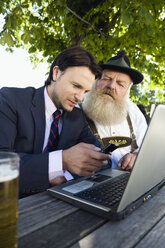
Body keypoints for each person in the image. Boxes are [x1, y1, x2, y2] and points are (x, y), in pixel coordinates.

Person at [0, 46, 110, 198]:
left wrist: (66, 177)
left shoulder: (77, 117)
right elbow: (2, 166)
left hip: (55, 204)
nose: (80, 98)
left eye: (85, 91)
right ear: (56, 73)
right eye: (76, 86)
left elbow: (104, 160)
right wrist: (63, 160)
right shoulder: (10, 100)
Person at [82, 50, 148, 171]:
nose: (111, 85)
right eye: (106, 78)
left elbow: (146, 149)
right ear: (96, 81)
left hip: (127, 180)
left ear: (127, 90)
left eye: (120, 84)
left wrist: (135, 156)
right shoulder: (76, 111)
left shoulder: (133, 112)